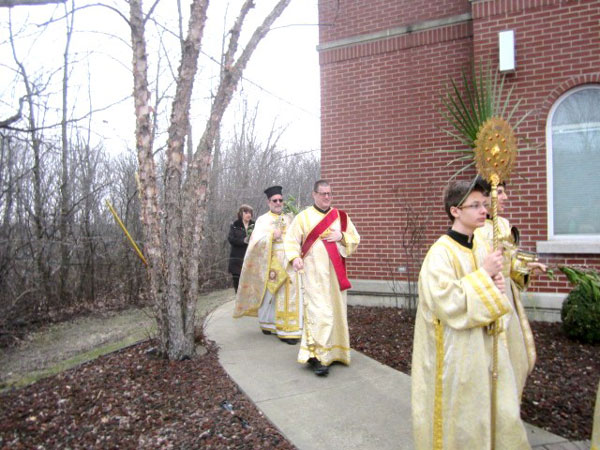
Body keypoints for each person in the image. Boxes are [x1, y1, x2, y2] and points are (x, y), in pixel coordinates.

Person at [411, 179, 530, 449]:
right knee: (465, 423)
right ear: (455, 210)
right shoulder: (439, 254)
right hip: (457, 357)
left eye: (485, 205)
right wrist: (484, 277)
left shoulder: (481, 246)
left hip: (487, 352)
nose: (483, 211)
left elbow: (492, 296)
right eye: (475, 205)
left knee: (501, 414)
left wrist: (496, 288)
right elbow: (448, 303)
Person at [474, 177, 547, 399]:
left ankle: (510, 401)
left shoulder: (502, 225)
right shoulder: (477, 230)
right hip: (489, 293)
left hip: (507, 293)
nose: (505, 197)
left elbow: (509, 260)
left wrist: (525, 267)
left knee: (517, 354)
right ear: (485, 197)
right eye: (501, 192)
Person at [284, 180, 360, 376]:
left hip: (335, 275)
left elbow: (355, 238)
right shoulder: (303, 218)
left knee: (335, 312)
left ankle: (334, 353)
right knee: (320, 314)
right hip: (313, 275)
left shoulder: (341, 217)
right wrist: (294, 259)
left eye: (329, 194)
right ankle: (318, 357)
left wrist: (341, 236)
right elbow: (291, 241)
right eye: (323, 193)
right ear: (314, 194)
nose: (327, 197)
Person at [233, 186, 302, 344]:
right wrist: (271, 235)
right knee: (270, 295)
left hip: (290, 260)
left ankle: (288, 329)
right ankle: (267, 323)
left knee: (289, 295)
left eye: (280, 200)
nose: (278, 203)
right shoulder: (263, 220)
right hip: (271, 261)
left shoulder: (290, 217)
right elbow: (254, 242)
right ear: (268, 202)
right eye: (274, 200)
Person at [228, 204, 254, 293]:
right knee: (238, 287)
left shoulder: (255, 225)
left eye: (250, 212)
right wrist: (243, 241)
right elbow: (231, 239)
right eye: (246, 212)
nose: (248, 214)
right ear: (240, 213)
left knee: (250, 286)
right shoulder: (235, 225)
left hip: (251, 260)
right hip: (237, 261)